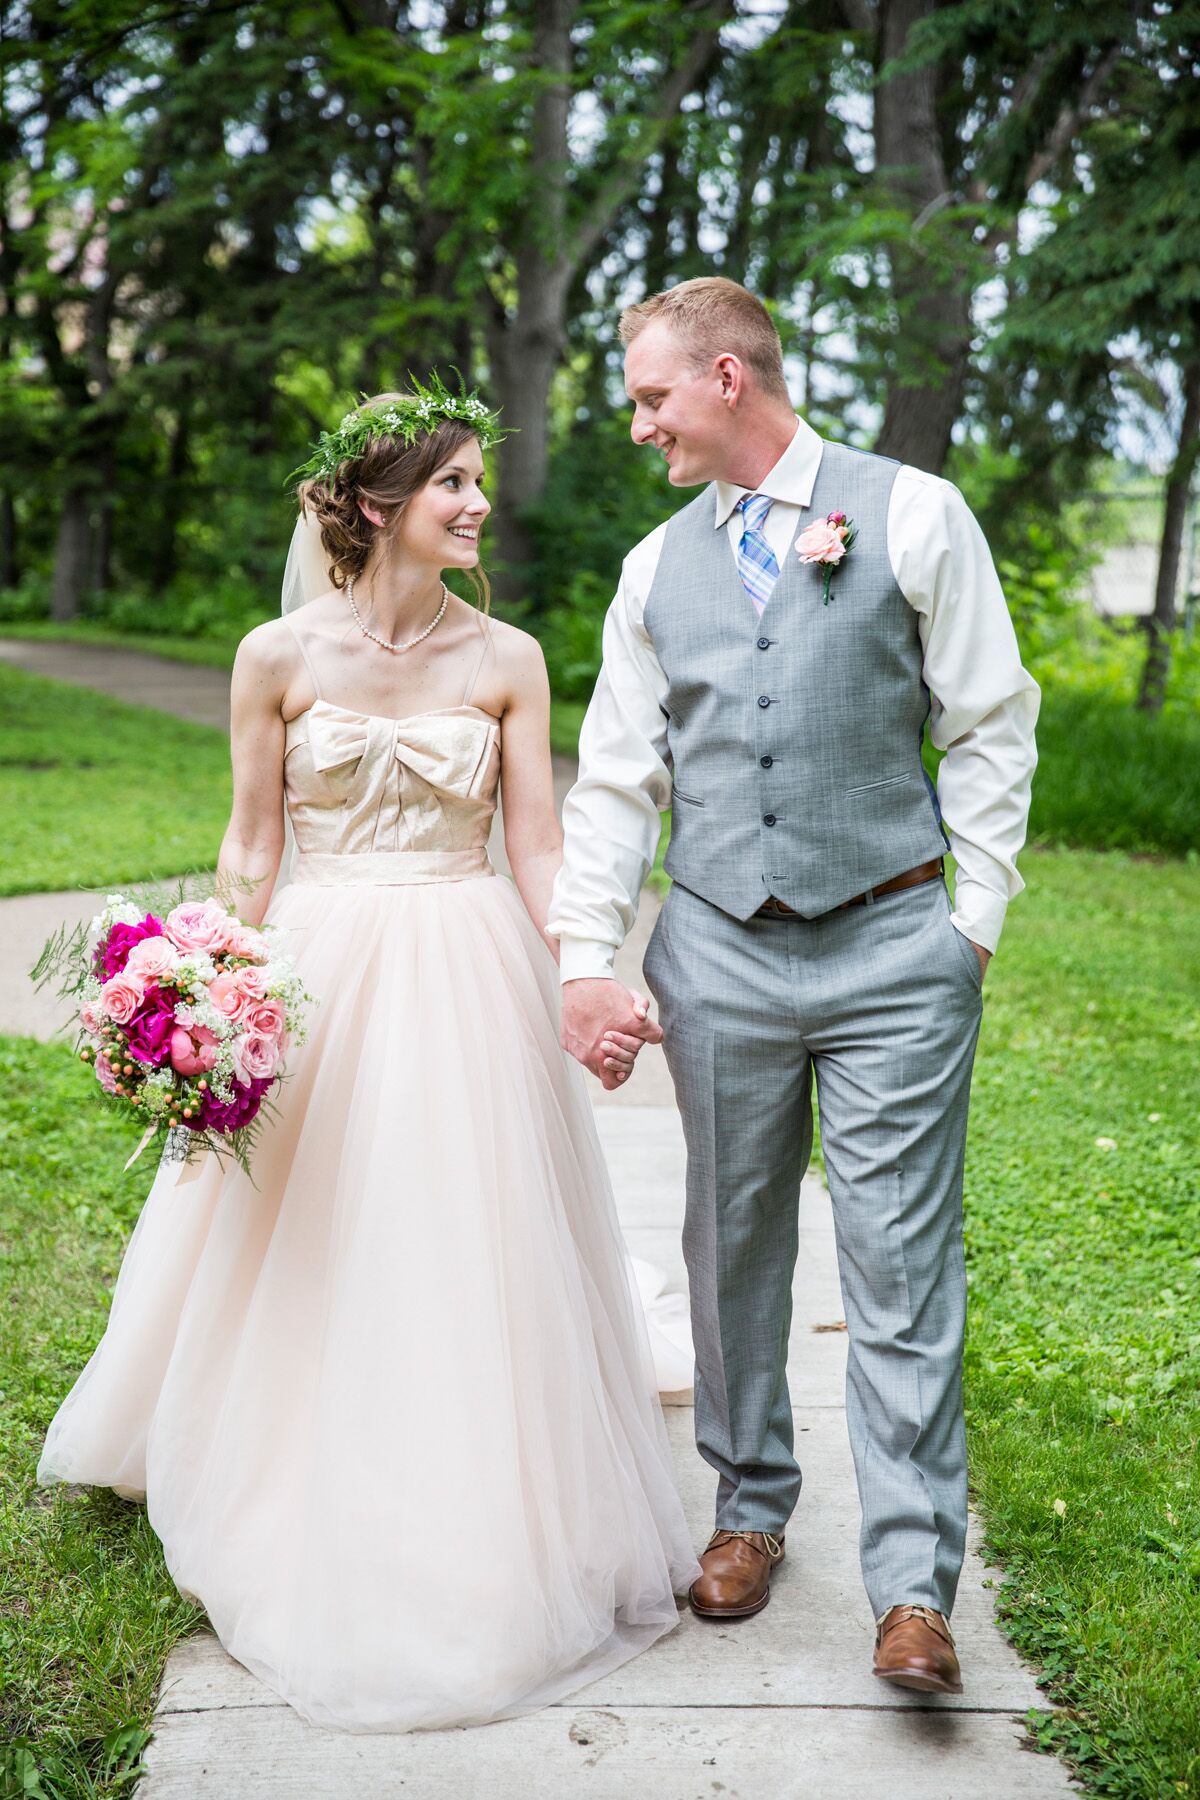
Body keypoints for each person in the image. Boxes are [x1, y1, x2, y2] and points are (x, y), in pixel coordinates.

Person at [37, 385, 699, 1733]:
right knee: (301, 1214)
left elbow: (535, 843)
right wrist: (206, 981)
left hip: (463, 958)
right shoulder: (274, 655)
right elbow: (251, 843)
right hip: (319, 965)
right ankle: (258, 1437)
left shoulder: (506, 657)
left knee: (455, 1217)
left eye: (474, 483)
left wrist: (584, 968)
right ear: (378, 506)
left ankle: (460, 1464)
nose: (475, 505)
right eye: (452, 483)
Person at [547, 278, 1040, 1695]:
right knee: (732, 1237)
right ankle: (749, 1512)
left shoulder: (912, 514)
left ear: (723, 376)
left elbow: (992, 720)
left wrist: (975, 924)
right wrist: (590, 957)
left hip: (897, 948)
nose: (639, 426)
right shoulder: (655, 571)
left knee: (898, 1262)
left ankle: (913, 1588)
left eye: (649, 398)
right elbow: (618, 779)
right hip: (717, 948)